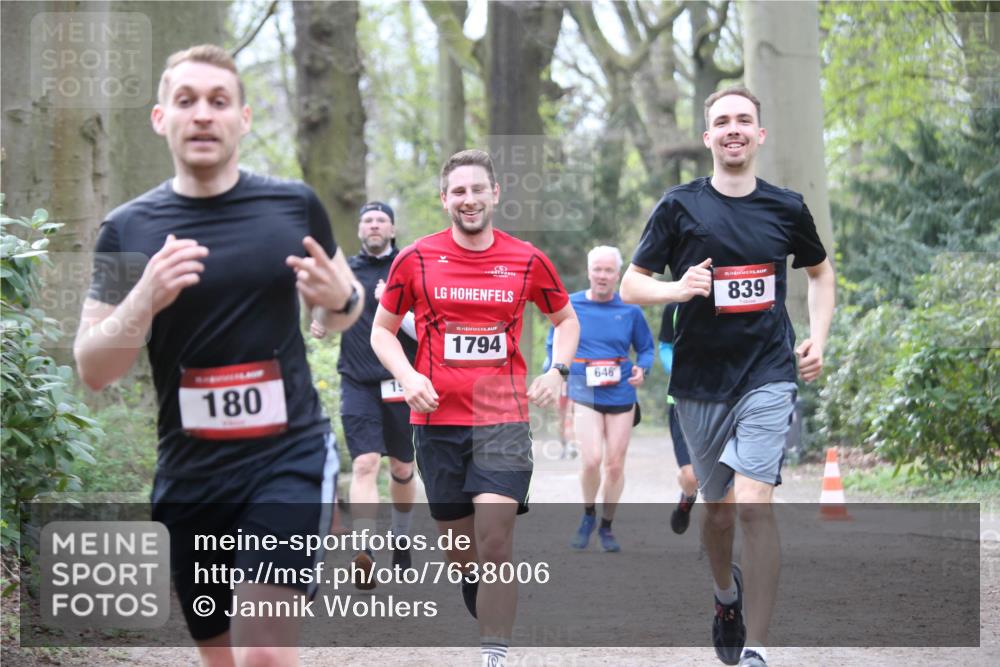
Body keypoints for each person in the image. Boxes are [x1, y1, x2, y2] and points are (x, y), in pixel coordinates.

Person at [73, 45, 362, 667]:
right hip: (191, 474)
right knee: (221, 656)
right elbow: (94, 369)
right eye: (186, 101)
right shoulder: (128, 229)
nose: (203, 114)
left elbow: (342, 308)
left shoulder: (293, 206)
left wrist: (339, 298)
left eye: (218, 101)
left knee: (264, 653)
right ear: (161, 118)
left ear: (244, 118)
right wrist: (144, 297)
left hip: (288, 456)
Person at [620, 86, 836, 667]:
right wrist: (677, 288)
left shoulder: (786, 208)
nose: (733, 129)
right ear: (709, 136)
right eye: (722, 122)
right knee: (716, 510)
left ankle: (758, 649)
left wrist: (818, 337)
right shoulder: (679, 206)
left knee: (753, 503)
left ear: (759, 134)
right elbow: (632, 284)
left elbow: (820, 273)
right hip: (700, 380)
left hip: (768, 370)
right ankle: (725, 597)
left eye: (744, 120)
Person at [370, 149, 579, 667]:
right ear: (445, 199)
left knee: (496, 541)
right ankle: (474, 584)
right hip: (436, 422)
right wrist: (409, 376)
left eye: (477, 189)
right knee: (461, 550)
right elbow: (382, 332)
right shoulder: (414, 259)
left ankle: (494, 654)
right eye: (458, 191)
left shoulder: (527, 259)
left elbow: (566, 320)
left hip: (501, 418)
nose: (469, 199)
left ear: (495, 194)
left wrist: (557, 370)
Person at [309, 201, 421, 586]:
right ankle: (365, 549)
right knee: (364, 464)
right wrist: (321, 321)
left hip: (401, 380)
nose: (374, 226)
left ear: (392, 229)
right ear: (359, 230)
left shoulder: (408, 268)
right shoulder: (346, 272)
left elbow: (426, 328)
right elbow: (328, 310)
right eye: (368, 220)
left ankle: (401, 538)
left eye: (381, 220)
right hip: (357, 382)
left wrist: (393, 301)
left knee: (402, 468)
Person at [545, 245, 654, 553]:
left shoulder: (630, 309)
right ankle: (588, 515)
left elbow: (646, 348)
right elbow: (554, 342)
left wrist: (643, 368)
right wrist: (553, 373)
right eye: (597, 269)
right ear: (588, 271)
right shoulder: (571, 305)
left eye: (608, 270)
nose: (602, 275)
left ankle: (607, 525)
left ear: (618, 275)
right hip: (585, 391)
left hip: (621, 392)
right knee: (592, 460)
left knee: (615, 465)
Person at [659, 303, 699, 535]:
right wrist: (677, 368)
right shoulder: (674, 305)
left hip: (723, 401)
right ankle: (687, 498)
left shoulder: (727, 300)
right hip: (681, 401)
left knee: (723, 480)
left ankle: (715, 539)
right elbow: (665, 346)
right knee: (690, 476)